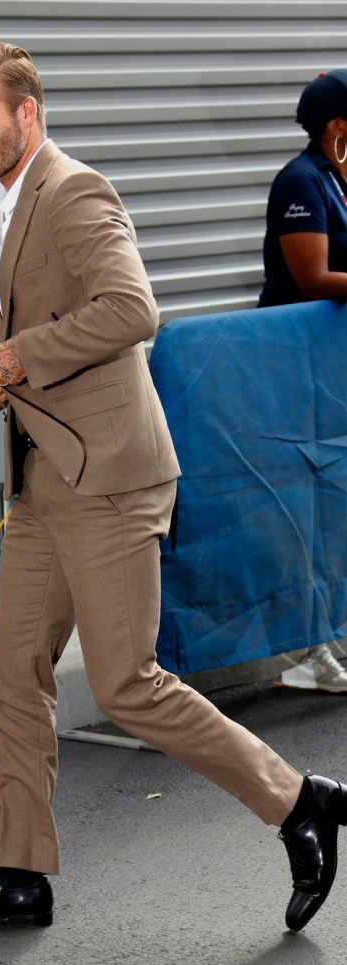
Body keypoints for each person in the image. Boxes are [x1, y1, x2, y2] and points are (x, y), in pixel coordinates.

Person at [0, 43, 347, 934]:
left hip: (110, 478)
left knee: (129, 682)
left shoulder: (72, 191)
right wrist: (17, 376)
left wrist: (21, 355)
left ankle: (302, 801)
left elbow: (131, 306)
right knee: (14, 672)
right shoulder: (8, 204)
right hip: (49, 477)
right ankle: (20, 873)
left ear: (28, 113)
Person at [259, 69, 347, 694]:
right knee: (303, 503)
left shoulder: (340, 181)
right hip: (292, 365)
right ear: (337, 127)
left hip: (331, 366)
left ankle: (330, 633)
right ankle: (310, 648)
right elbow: (313, 277)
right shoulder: (301, 181)